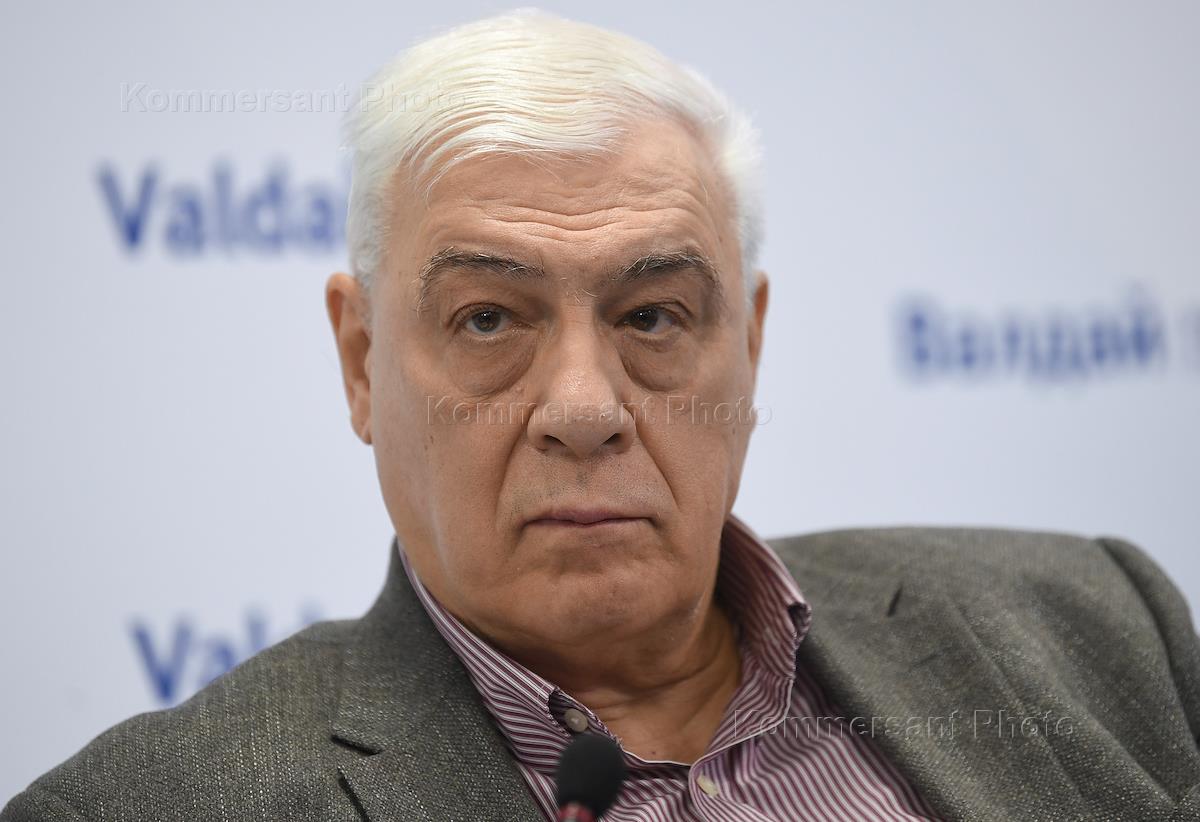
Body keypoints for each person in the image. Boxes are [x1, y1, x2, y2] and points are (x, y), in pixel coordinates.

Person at [5, 9, 1200, 821]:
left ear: (751, 343)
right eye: (488, 318)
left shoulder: (1097, 628)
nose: (584, 410)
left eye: (653, 315)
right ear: (361, 363)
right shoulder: (151, 805)